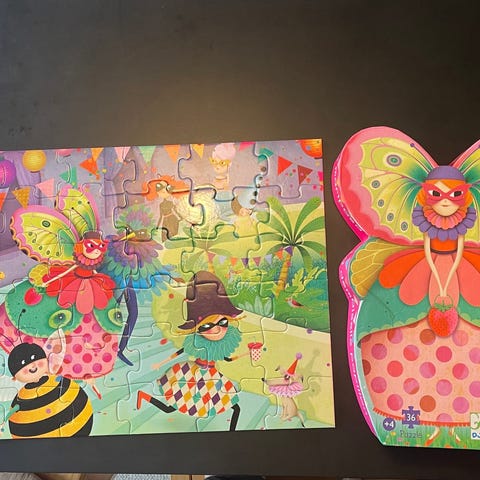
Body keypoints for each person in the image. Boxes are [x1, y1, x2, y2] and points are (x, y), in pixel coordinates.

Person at [136, 271, 248, 431]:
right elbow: (180, 352)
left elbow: (228, 359)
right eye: (207, 326)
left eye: (222, 322)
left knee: (235, 408)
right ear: (196, 327)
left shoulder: (222, 345)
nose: (217, 330)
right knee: (169, 409)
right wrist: (160, 363)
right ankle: (144, 396)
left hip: (211, 376)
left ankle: (232, 435)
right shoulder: (196, 343)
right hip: (190, 375)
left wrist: (247, 354)